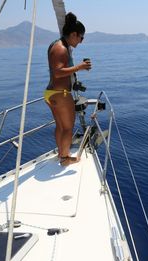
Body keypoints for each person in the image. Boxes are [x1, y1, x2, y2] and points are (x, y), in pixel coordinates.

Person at [44, 12, 91, 166]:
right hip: (61, 94)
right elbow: (57, 72)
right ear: (73, 34)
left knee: (61, 126)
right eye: (81, 37)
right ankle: (65, 159)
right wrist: (80, 67)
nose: (81, 41)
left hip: (53, 93)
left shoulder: (58, 45)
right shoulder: (61, 49)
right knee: (68, 128)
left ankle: (61, 154)